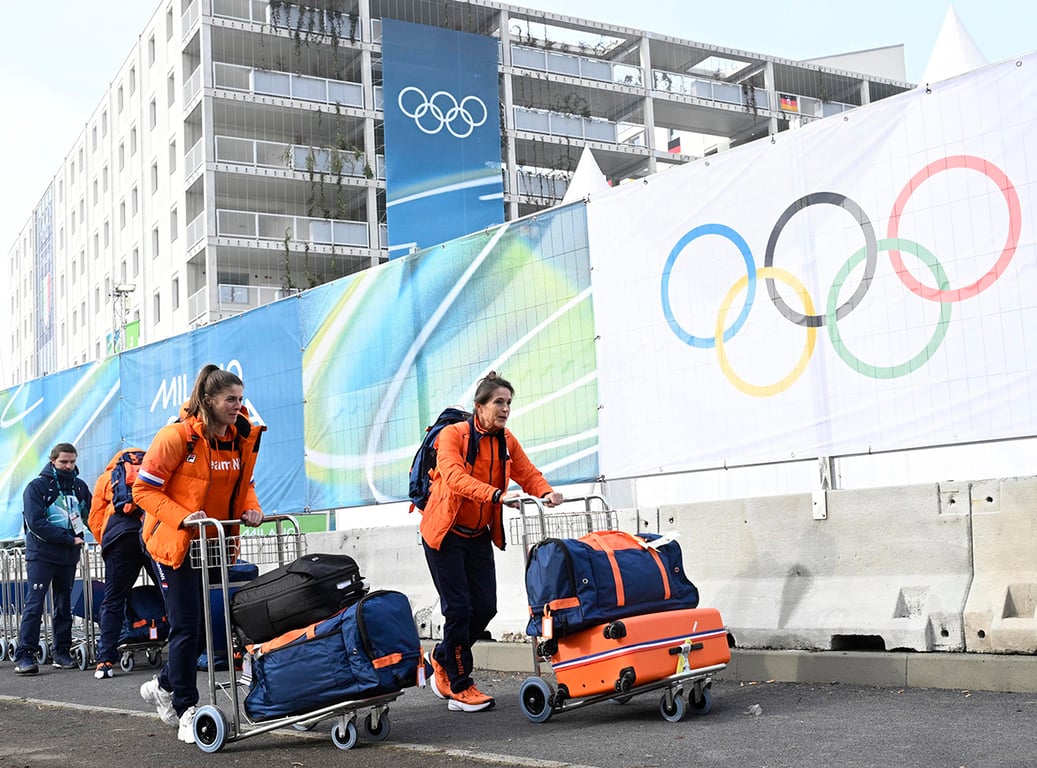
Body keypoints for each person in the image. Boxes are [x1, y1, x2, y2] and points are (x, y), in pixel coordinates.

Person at [133, 365, 265, 744]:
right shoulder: (177, 437)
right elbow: (144, 491)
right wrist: (185, 518)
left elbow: (245, 484)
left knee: (207, 626)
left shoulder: (241, 438)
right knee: (186, 624)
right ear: (209, 400)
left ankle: (162, 685)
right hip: (174, 543)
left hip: (214, 543)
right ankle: (185, 707)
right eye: (231, 400)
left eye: (241, 399)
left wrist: (251, 508)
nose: (238, 407)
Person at [419, 371, 562, 712]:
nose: (505, 409)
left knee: (485, 607)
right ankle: (459, 685)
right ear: (479, 406)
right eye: (498, 402)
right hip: (445, 533)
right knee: (458, 609)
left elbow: (526, 472)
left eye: (509, 403)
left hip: (478, 534)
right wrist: (496, 495)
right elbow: (453, 478)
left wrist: (545, 492)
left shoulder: (505, 440)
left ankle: (441, 657)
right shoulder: (453, 435)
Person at [14, 442, 91, 675]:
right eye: (63, 462)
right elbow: (35, 523)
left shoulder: (79, 486)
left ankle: (62, 652)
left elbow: (91, 515)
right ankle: (25, 655)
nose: (68, 466)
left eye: (72, 462)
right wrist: (68, 539)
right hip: (42, 555)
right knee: (35, 604)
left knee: (63, 605)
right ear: (52, 461)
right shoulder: (37, 487)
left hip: (68, 556)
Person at [87, 447, 159, 680]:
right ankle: (193, 649)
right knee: (173, 593)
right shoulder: (153, 469)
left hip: (121, 540)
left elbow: (95, 519)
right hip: (152, 535)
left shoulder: (106, 478)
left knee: (114, 599)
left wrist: (106, 544)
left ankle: (105, 660)